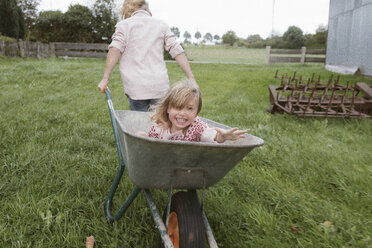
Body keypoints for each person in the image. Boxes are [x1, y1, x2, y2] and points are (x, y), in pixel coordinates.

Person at [97, 0, 196, 112]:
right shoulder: (161, 25)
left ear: (128, 9)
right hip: (159, 86)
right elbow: (177, 51)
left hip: (136, 88)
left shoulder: (124, 25)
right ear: (147, 8)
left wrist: (105, 78)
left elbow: (114, 49)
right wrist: (191, 78)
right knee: (159, 125)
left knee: (140, 125)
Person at [138, 80, 247, 143]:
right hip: (160, 158)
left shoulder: (197, 127)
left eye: (189, 108)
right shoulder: (160, 126)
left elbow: (208, 134)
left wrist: (221, 137)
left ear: (197, 112)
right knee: (141, 135)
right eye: (177, 107)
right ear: (167, 108)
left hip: (184, 164)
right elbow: (151, 145)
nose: (182, 113)